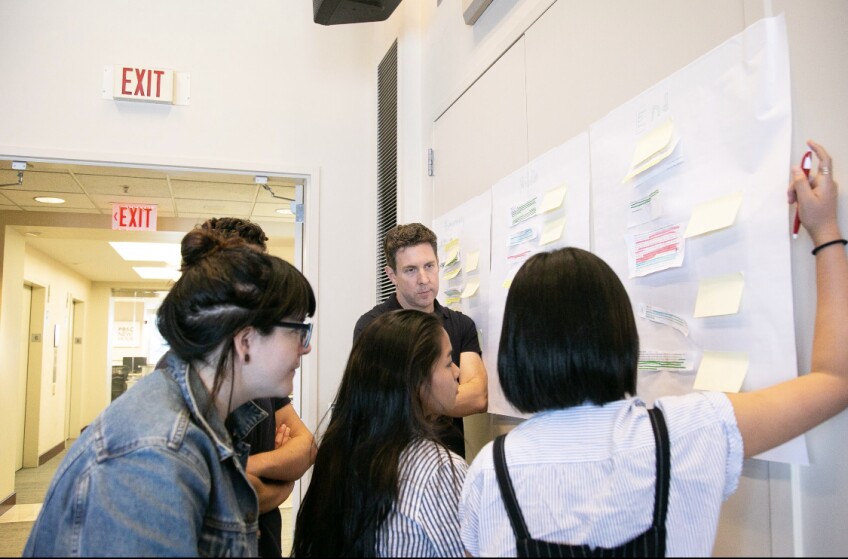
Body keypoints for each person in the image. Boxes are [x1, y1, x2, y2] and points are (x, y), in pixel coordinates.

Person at [460, 140, 848, 557]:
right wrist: (825, 230)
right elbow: (835, 380)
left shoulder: (489, 471)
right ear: (620, 334)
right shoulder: (691, 431)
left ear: (516, 350)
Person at [23, 225, 316, 557]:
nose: (305, 347)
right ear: (245, 340)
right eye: (297, 330)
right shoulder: (155, 453)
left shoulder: (201, 417)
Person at [294, 309, 467, 557]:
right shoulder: (439, 470)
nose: (457, 372)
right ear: (416, 378)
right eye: (449, 362)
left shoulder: (338, 448)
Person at [201, 217, 316, 557]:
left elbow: (306, 448)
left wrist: (245, 468)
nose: (304, 347)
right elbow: (224, 497)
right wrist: (280, 479)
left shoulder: (260, 379)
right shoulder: (174, 427)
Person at [354, 223, 487, 459]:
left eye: (429, 266)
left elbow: (477, 397)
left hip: (448, 465)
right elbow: (379, 404)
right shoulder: (373, 327)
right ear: (391, 274)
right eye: (410, 270)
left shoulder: (460, 325)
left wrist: (413, 401)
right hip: (389, 464)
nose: (424, 279)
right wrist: (449, 395)